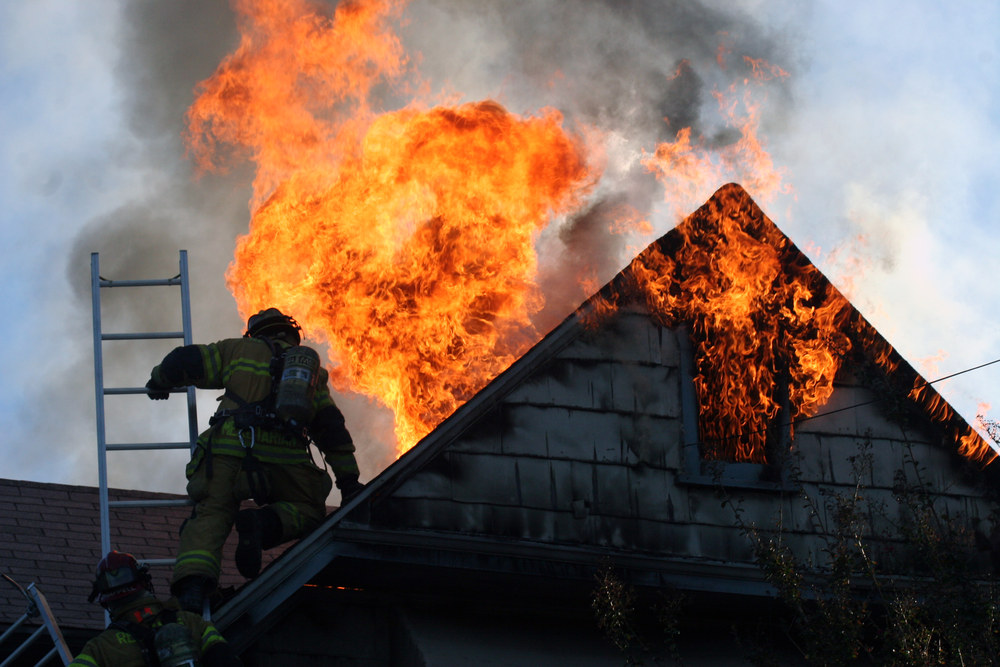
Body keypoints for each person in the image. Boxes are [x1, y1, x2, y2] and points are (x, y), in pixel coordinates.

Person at [145, 308, 363, 613]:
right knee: (311, 511)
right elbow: (331, 429)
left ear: (256, 333)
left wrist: (159, 382)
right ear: (292, 334)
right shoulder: (309, 371)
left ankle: (192, 588)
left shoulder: (237, 350)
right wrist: (349, 483)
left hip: (230, 448)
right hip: (284, 458)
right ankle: (263, 524)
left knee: (212, 514)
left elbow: (185, 360)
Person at [69, 551, 241, 667]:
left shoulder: (100, 648)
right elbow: (225, 658)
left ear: (107, 601)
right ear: (144, 583)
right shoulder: (192, 622)